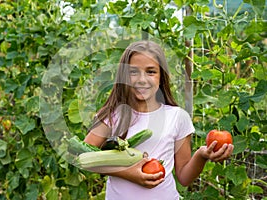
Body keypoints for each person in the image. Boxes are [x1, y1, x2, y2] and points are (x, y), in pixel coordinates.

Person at [84, 40, 234, 200]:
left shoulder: (177, 117)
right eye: (133, 72)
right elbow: (84, 157)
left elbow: (184, 177)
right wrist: (128, 173)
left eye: (151, 72)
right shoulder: (113, 115)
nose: (142, 79)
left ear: (161, 76)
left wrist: (201, 155)